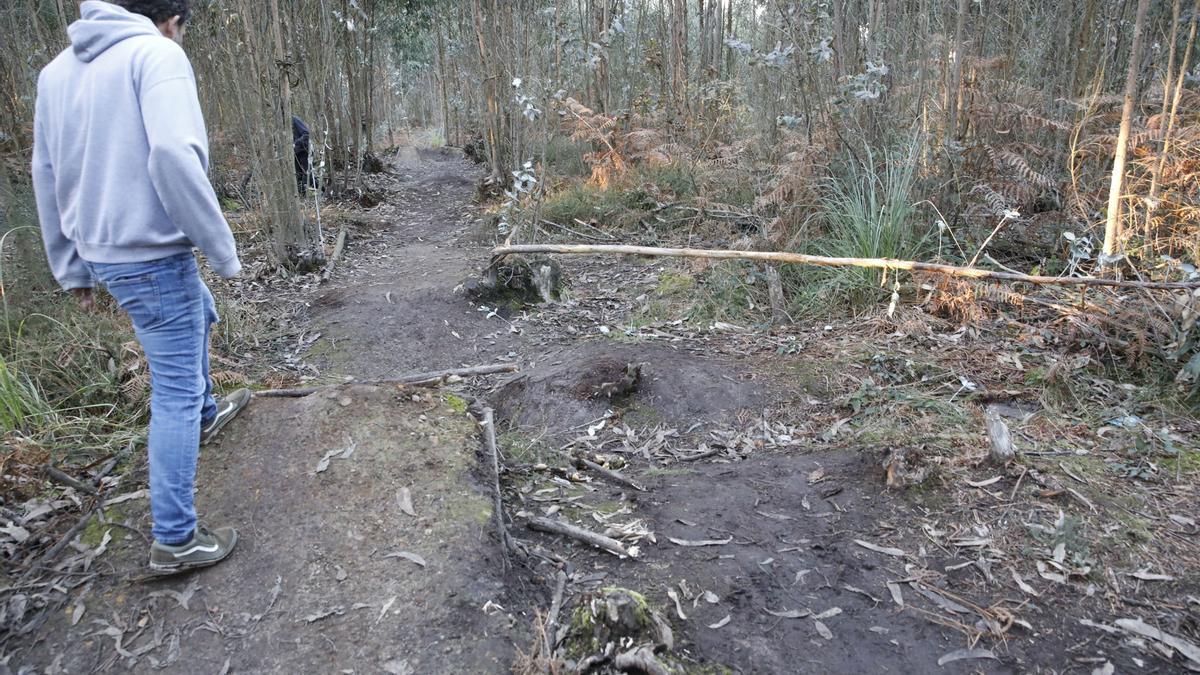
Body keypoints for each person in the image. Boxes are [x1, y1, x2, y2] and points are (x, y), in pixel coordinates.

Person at [33, 0, 247, 574]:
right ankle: (176, 537)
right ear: (171, 18)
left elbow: (45, 171)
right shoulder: (157, 54)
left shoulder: (56, 74)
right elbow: (174, 155)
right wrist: (222, 250)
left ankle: (206, 409)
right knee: (172, 387)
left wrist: (71, 266)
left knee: (195, 314)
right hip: (152, 252)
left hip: (104, 251)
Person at [293, 115, 312, 197]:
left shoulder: (294, 119)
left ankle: (321, 190)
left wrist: (295, 143)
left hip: (304, 150)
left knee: (308, 174)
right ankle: (302, 194)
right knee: (298, 174)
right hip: (295, 152)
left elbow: (306, 134)